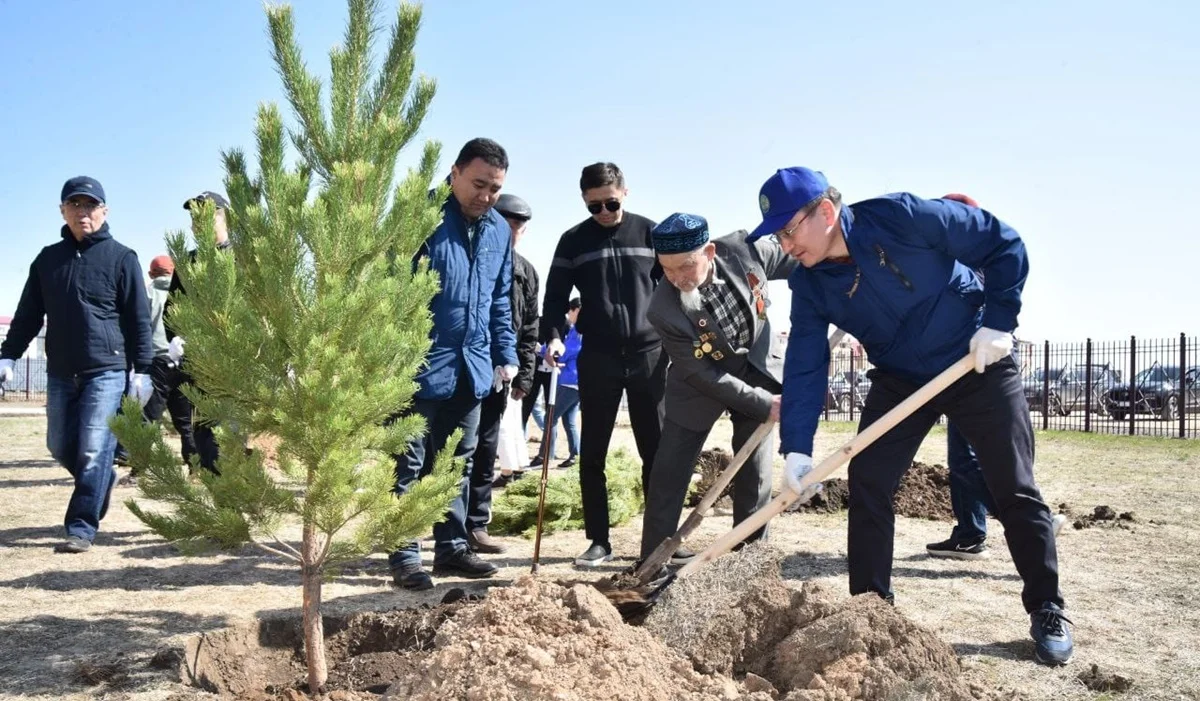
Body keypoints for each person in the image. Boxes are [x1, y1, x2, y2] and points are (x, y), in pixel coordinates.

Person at [748, 167, 1073, 665]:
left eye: (789, 230)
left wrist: (999, 321)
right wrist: (797, 447)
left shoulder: (901, 217)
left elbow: (1003, 241)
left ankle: (1048, 607)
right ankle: (871, 609)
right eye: (778, 236)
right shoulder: (811, 286)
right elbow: (806, 362)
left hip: (974, 358)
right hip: (901, 377)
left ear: (827, 212)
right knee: (869, 478)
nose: (785, 245)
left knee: (1013, 485)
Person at [387, 137, 518, 590]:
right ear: (455, 172)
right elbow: (389, 292)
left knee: (455, 462)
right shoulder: (416, 217)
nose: (486, 196)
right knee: (409, 461)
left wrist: (506, 355)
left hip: (474, 365)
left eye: (495, 189)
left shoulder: (499, 230)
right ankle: (405, 555)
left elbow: (499, 299)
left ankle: (452, 548)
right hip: (418, 365)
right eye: (478, 184)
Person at [0, 176, 153, 553]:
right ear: (63, 211)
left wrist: (143, 369)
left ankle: (81, 527)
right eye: (75, 205)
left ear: (105, 211)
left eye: (90, 206)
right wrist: (8, 354)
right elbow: (28, 316)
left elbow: (138, 319)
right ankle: (103, 479)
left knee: (93, 448)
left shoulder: (122, 258)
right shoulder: (48, 260)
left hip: (107, 370)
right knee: (58, 445)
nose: (82, 213)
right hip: (60, 372)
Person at [639, 213, 795, 566]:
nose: (677, 278)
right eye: (667, 269)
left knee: (754, 469)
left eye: (685, 266)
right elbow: (701, 373)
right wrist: (763, 403)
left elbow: (796, 258)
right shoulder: (663, 309)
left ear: (709, 252)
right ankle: (652, 558)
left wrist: (828, 282)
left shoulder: (744, 250)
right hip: (700, 384)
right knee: (670, 470)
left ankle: (749, 555)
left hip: (755, 367)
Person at [541, 162, 665, 567]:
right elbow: (555, 297)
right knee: (592, 453)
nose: (605, 213)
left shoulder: (652, 233)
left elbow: (678, 287)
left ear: (625, 192)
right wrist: (555, 336)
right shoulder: (573, 241)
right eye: (595, 206)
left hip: (650, 355)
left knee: (657, 452)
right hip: (599, 356)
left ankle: (660, 539)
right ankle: (599, 540)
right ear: (584, 201)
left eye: (611, 203)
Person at [465, 193, 539, 555]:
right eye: (507, 226)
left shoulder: (527, 272)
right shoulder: (475, 259)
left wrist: (525, 375)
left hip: (502, 376)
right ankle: (440, 523)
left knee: (486, 450)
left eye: (518, 229)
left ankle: (476, 525)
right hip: (468, 368)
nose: (512, 235)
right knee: (456, 450)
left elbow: (529, 328)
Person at [162, 191, 234, 474]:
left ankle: (231, 505)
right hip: (199, 365)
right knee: (204, 439)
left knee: (226, 439)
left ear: (223, 217)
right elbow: (173, 310)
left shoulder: (242, 259)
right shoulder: (187, 263)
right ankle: (223, 504)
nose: (198, 223)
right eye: (194, 217)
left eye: (206, 215)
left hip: (237, 366)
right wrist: (177, 337)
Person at [115, 255, 199, 481]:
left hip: (156, 363)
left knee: (148, 419)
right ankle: (195, 470)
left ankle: (138, 472)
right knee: (186, 421)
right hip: (183, 361)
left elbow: (136, 328)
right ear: (173, 272)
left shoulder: (146, 293)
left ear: (152, 274)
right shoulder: (184, 295)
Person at [543, 297, 582, 468]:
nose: (568, 315)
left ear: (576, 310)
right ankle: (575, 455)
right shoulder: (578, 329)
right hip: (574, 381)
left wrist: (543, 349)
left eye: (570, 312)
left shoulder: (579, 331)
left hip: (570, 381)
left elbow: (567, 350)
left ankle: (545, 454)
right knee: (569, 421)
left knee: (550, 417)